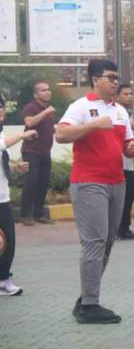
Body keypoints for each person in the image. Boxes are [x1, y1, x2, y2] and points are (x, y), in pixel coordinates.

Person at [55, 59, 134, 324]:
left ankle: (85, 298)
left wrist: (131, 150)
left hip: (117, 182)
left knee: (107, 242)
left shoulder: (120, 112)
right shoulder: (81, 106)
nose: (116, 82)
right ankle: (90, 305)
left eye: (117, 78)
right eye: (111, 77)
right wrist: (93, 125)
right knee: (94, 242)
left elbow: (126, 144)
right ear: (95, 79)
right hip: (88, 182)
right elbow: (60, 135)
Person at [0, 95, 38, 295]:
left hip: (3, 198)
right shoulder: (3, 138)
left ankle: (3, 280)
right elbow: (3, 145)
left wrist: (15, 168)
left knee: (8, 242)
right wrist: (23, 136)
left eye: (2, 106)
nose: (0, 110)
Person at [20, 82, 57, 226]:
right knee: (31, 182)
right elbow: (29, 123)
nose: (48, 92)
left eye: (48, 89)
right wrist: (46, 112)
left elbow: (48, 127)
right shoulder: (31, 107)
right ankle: (25, 215)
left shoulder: (48, 108)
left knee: (43, 183)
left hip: (45, 152)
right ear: (36, 94)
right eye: (43, 90)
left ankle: (39, 214)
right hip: (31, 151)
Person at [115, 84, 134, 241]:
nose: (129, 96)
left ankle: (124, 227)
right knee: (121, 198)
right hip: (118, 163)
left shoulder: (125, 113)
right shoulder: (116, 112)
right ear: (117, 96)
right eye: (125, 94)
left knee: (128, 197)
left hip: (128, 162)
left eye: (131, 94)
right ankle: (119, 229)